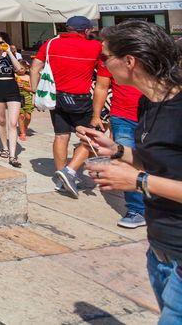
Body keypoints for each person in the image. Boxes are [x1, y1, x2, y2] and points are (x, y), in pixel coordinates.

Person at [77, 21, 182, 320]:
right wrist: (118, 151)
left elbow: (148, 175)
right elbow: (163, 162)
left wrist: (137, 181)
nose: (103, 65)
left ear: (130, 61)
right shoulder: (148, 105)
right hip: (161, 252)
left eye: (105, 57)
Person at [31, 15, 102, 198]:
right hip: (79, 99)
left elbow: (35, 67)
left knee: (61, 136)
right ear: (86, 31)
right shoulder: (94, 46)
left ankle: (61, 177)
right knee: (89, 138)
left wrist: (34, 91)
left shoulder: (51, 44)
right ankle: (69, 172)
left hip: (56, 97)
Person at [93, 57, 147, 229]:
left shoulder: (150, 53)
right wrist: (96, 115)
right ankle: (137, 210)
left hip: (152, 115)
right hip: (122, 117)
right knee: (125, 161)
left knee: (157, 160)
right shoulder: (109, 60)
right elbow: (101, 87)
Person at [0, 34, 26, 167]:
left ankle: (13, 156)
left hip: (12, 88)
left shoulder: (9, 55)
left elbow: (20, 70)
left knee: (13, 123)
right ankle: (5, 147)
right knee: (2, 121)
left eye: (0, 42)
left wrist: (9, 52)